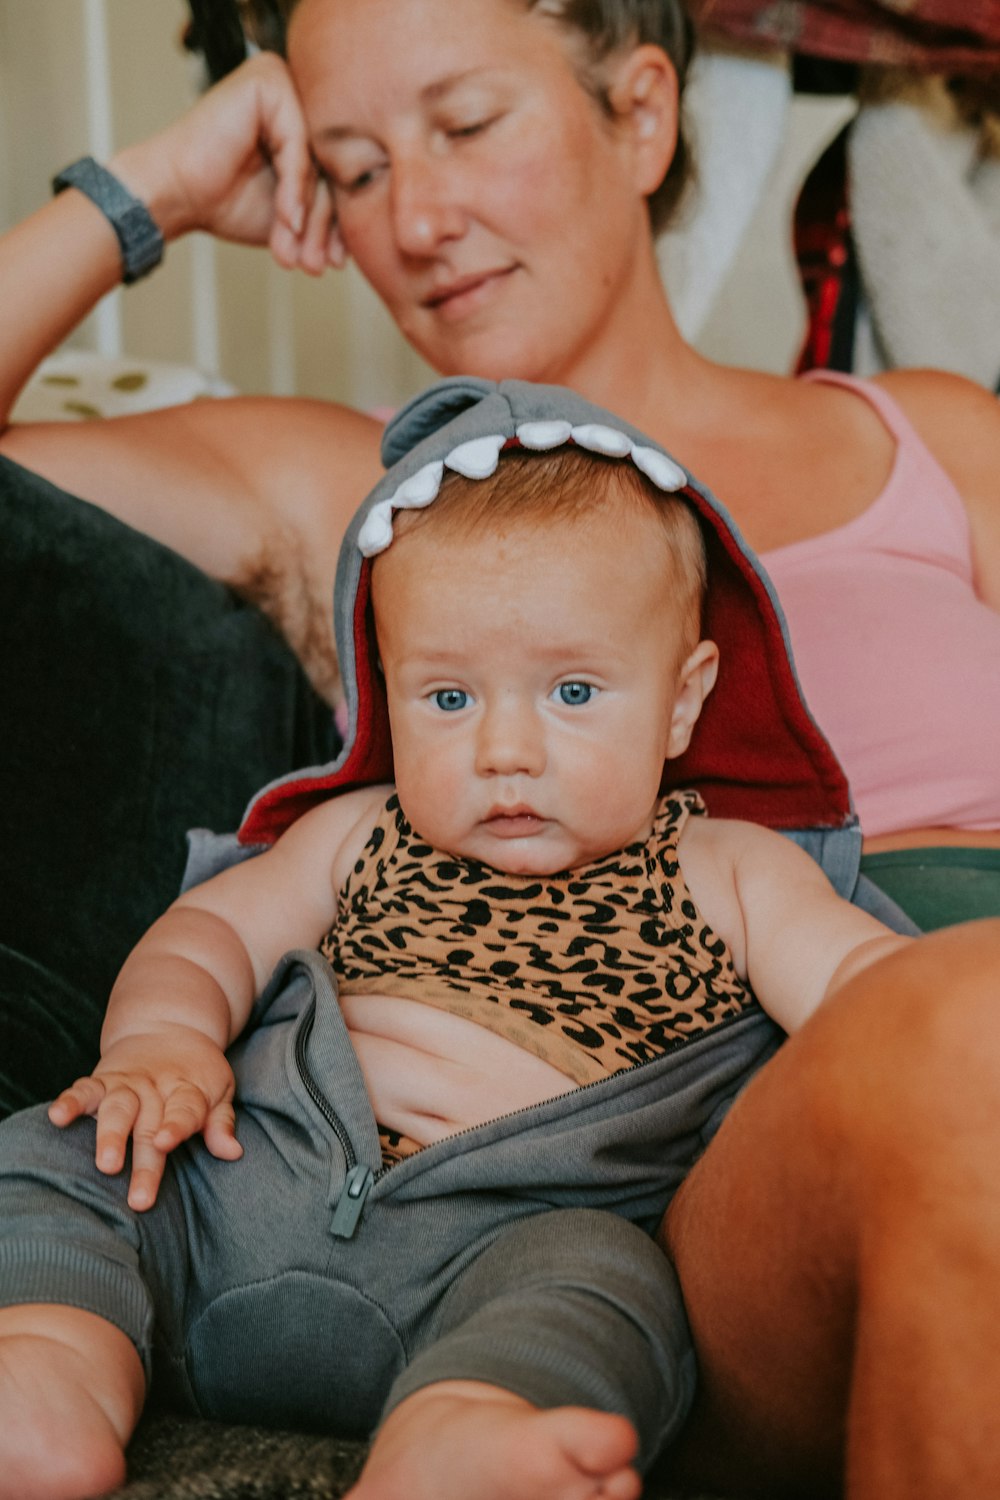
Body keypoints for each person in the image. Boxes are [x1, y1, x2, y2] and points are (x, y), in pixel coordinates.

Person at [2, 0, 998, 1114]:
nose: (417, 220)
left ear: (641, 116)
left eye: (466, 125)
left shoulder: (932, 435)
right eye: (357, 171)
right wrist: (156, 189)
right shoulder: (364, 496)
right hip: (741, 1095)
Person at [0, 380, 913, 1500]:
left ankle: (463, 1430)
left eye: (572, 690)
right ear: (384, 692)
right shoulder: (353, 835)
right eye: (447, 699)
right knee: (59, 1148)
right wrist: (160, 1044)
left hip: (504, 1254)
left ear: (681, 704)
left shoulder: (725, 869)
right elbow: (209, 936)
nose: (504, 750)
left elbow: (874, 996)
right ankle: (49, 1364)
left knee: (617, 1287)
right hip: (223, 1202)